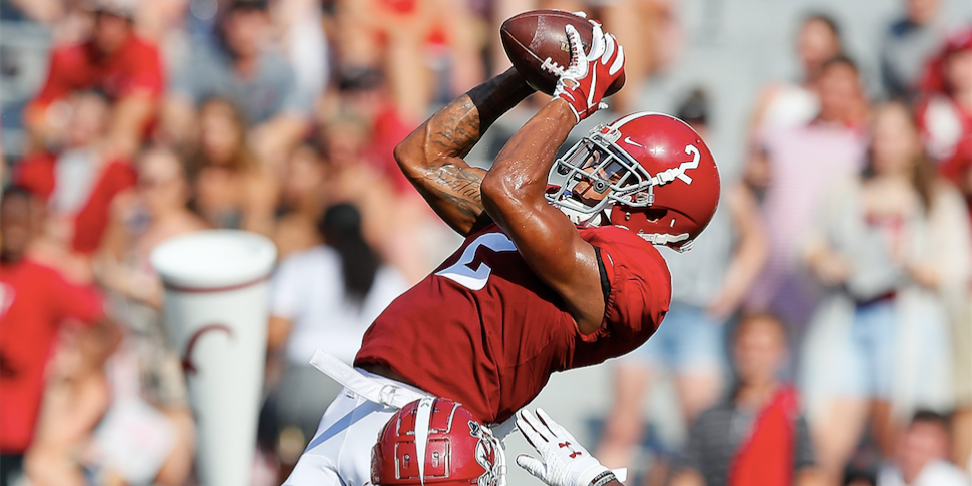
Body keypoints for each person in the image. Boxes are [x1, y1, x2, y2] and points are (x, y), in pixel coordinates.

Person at [285, 16, 720, 486]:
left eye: (615, 169)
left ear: (655, 212)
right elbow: (424, 158)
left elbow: (506, 189)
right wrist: (527, 77)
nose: (590, 167)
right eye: (598, 154)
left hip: (436, 438)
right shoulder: (548, 216)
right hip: (354, 405)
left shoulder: (639, 277)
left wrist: (575, 97)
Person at [597, 89, 768, 475]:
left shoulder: (723, 179)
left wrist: (728, 293)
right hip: (644, 306)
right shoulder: (652, 175)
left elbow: (756, 242)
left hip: (693, 311)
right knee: (624, 425)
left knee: (702, 429)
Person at [800, 102, 970, 484]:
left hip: (907, 323)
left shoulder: (937, 197)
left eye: (894, 134)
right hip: (848, 317)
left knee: (897, 439)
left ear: (913, 141)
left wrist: (913, 263)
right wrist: (826, 261)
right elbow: (810, 242)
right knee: (826, 437)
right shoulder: (845, 187)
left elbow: (955, 269)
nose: (884, 143)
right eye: (878, 133)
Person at [265, 203, 408, 466]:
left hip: (305, 386)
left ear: (322, 231)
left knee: (297, 466)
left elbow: (274, 333)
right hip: (364, 389)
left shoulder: (301, 266)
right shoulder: (386, 275)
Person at [0, 186, 118, 486]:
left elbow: (107, 323)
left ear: (33, 225)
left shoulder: (45, 278)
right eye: (6, 220)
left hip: (19, 432)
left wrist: (83, 370)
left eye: (20, 220)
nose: (13, 228)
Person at [668, 313, 819, 486]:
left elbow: (808, 472)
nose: (753, 357)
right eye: (747, 347)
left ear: (780, 353)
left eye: (763, 349)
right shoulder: (708, 418)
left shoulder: (793, 415)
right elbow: (689, 473)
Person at [166, 0, 311, 174]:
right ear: (225, 23)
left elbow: (295, 118)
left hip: (257, 157)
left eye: (252, 22)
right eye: (238, 22)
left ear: (266, 23)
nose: (244, 32)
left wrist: (249, 145)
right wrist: (205, 135)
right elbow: (176, 107)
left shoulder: (280, 70)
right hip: (207, 156)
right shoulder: (204, 63)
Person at [23, 0, 164, 159]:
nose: (106, 25)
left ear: (129, 22)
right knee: (37, 135)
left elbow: (139, 108)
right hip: (71, 135)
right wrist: (69, 123)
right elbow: (38, 113)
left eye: (115, 18)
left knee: (126, 132)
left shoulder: (144, 53)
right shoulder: (69, 55)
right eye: (100, 16)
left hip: (122, 144)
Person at [878, 411, 971, 486]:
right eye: (908, 446)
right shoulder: (887, 469)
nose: (911, 454)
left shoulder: (952, 481)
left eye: (920, 449)